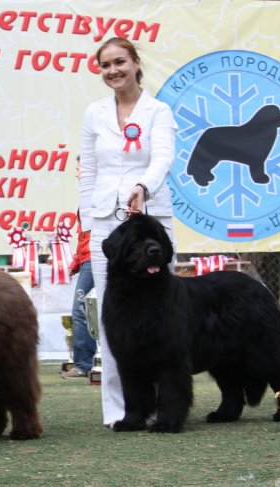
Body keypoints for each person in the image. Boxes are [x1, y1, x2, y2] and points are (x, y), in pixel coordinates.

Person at [78, 37, 176, 426]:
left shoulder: (158, 110)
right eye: (105, 65)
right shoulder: (94, 113)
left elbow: (164, 155)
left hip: (150, 220)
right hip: (106, 224)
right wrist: (88, 224)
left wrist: (143, 186)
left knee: (159, 317)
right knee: (112, 319)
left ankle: (162, 406)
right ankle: (122, 410)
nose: (113, 70)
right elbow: (88, 169)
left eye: (120, 62)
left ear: (136, 63)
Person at [62, 158, 96, 379]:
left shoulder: (94, 194)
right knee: (87, 310)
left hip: (94, 259)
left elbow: (91, 236)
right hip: (89, 258)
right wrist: (77, 260)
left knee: (82, 310)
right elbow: (84, 235)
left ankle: (83, 364)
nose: (77, 174)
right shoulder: (88, 196)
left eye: (79, 169)